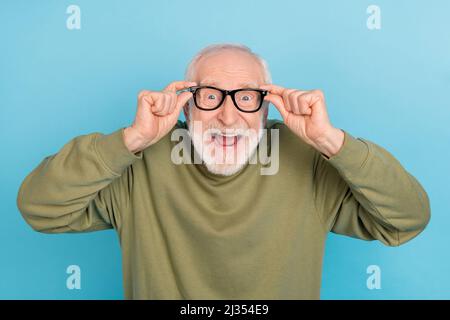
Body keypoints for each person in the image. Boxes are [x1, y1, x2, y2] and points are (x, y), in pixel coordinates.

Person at [17, 43, 430, 299]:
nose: (229, 118)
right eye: (211, 96)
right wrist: (130, 139)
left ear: (268, 105)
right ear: (186, 102)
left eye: (247, 97)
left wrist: (330, 141)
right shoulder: (139, 161)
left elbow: (406, 220)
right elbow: (39, 208)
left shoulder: (307, 159)